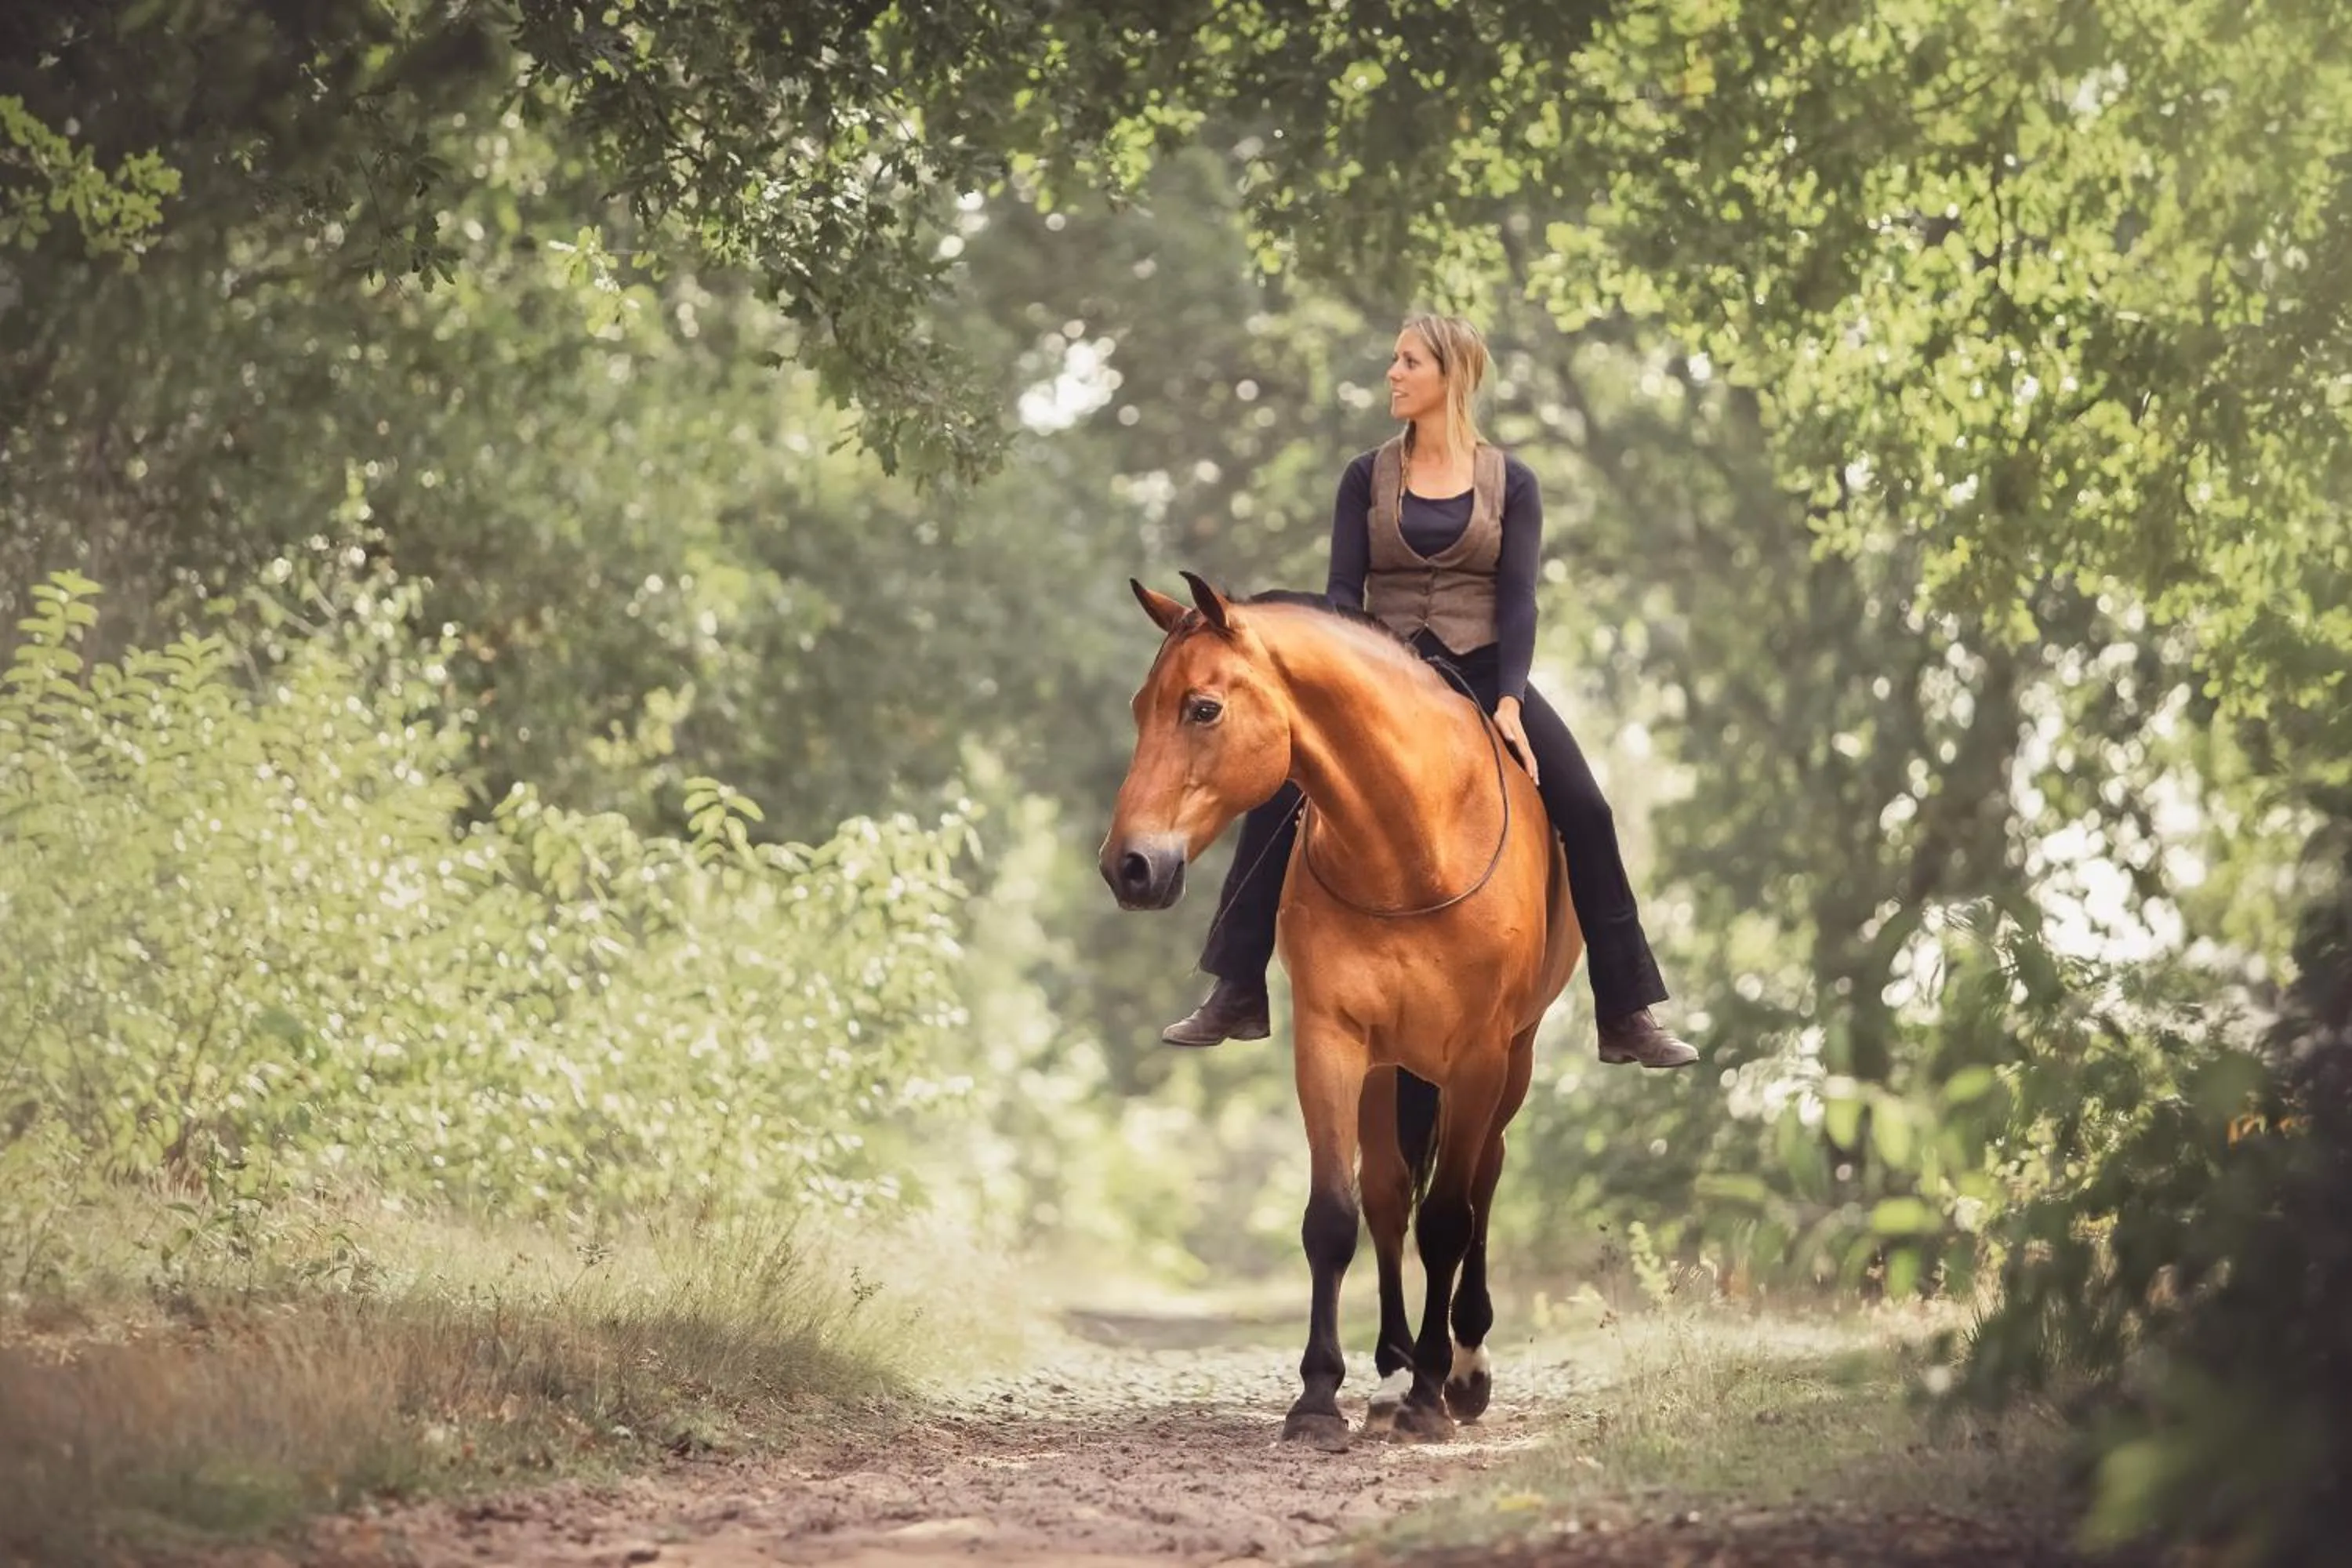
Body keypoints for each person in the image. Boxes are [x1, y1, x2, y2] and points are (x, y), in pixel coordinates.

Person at [1160, 313, 1698, 1069]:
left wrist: (1509, 702)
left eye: (1409, 362)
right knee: (1280, 788)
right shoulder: (1365, 476)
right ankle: (1238, 987)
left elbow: (1518, 600)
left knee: (1587, 808)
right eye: (1395, 360)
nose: (1393, 373)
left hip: (1483, 671)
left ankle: (1624, 1010)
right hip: (1385, 679)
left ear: (1453, 375)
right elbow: (1342, 594)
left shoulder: (1512, 482)